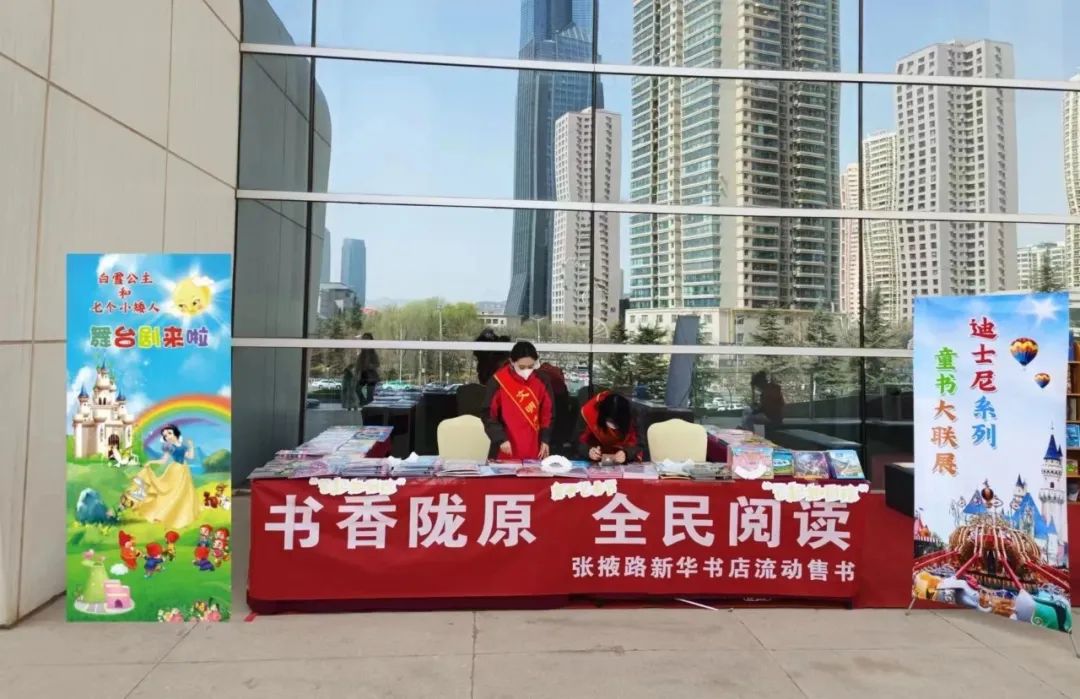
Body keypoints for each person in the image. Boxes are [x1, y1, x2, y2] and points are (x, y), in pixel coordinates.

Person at [482, 341, 554, 460]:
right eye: (522, 367)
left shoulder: (542, 380)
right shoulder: (498, 381)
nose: (526, 370)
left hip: (534, 446)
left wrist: (545, 439)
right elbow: (488, 414)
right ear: (512, 362)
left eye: (530, 366)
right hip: (506, 445)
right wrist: (500, 438)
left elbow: (548, 413)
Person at [131, 423, 199, 530]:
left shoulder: (183, 446)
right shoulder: (169, 447)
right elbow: (164, 460)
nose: (167, 436)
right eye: (165, 435)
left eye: (169, 433)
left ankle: (182, 519)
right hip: (175, 470)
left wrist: (191, 446)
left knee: (184, 494)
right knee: (171, 493)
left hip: (184, 471)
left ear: (175, 433)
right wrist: (151, 462)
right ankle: (163, 515)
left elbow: (190, 457)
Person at [577, 391, 642, 463]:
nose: (613, 427)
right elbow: (577, 443)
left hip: (623, 461)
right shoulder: (589, 414)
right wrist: (588, 451)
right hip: (596, 460)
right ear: (602, 415)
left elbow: (640, 445)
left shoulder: (633, 416)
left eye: (617, 423)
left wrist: (627, 453)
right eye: (610, 421)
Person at [356, 333, 380, 405]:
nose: (365, 340)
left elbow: (377, 364)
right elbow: (358, 366)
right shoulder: (361, 355)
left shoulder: (373, 354)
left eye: (367, 338)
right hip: (363, 375)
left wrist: (371, 366)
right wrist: (357, 373)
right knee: (358, 389)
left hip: (371, 376)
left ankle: (368, 405)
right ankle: (364, 403)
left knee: (370, 394)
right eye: (364, 338)